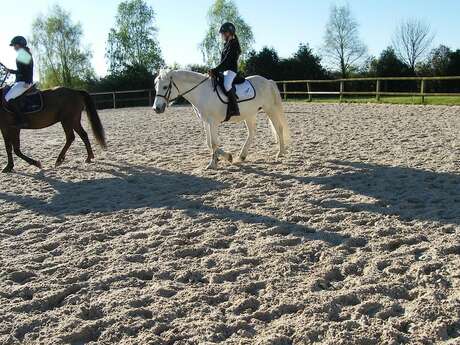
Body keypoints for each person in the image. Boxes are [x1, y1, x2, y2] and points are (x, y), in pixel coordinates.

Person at [209, 22, 242, 118]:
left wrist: (216, 69)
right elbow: (222, 61)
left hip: (231, 71)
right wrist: (216, 71)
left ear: (229, 33)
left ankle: (235, 109)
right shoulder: (226, 45)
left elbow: (227, 61)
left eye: (223, 33)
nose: (222, 35)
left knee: (227, 84)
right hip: (225, 71)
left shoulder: (234, 44)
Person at [5, 36, 34, 128]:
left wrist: (27, 81)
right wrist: (11, 71)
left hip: (24, 82)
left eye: (15, 45)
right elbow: (22, 70)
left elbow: (28, 70)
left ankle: (22, 120)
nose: (14, 47)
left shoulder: (23, 54)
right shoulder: (23, 53)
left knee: (8, 97)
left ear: (20, 44)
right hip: (21, 81)